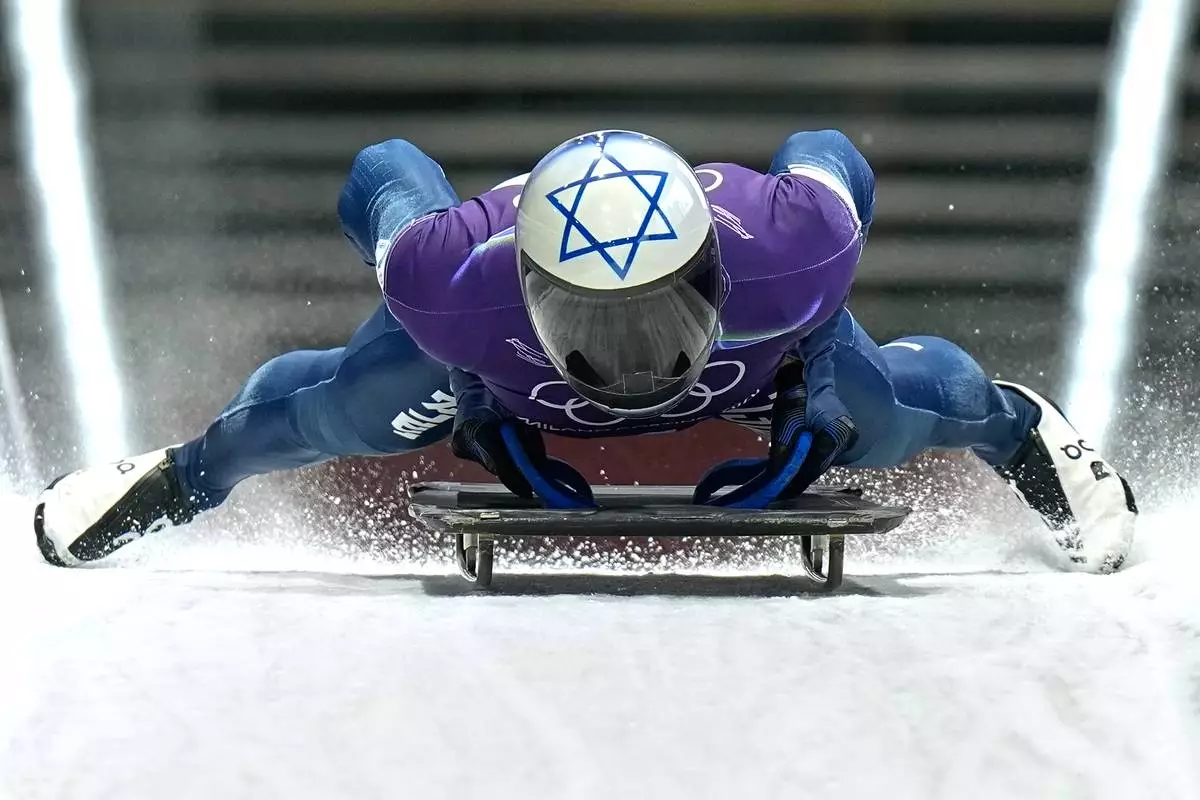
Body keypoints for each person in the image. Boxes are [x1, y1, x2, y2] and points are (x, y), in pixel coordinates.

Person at [32, 130, 1138, 572]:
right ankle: (173, 475)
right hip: (492, 346)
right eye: (602, 320)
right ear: (532, 288)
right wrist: (469, 383)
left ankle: (1023, 431)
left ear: (718, 268)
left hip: (749, 346)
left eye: (658, 311)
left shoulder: (797, 246)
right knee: (347, 407)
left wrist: (803, 373)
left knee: (886, 409)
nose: (635, 356)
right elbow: (380, 164)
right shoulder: (444, 278)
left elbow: (827, 152)